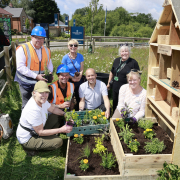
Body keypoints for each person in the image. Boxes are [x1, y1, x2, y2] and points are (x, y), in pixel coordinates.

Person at [16, 81, 73, 153]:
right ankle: (31, 149)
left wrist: (65, 114)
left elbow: (52, 109)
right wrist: (61, 129)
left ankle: (50, 137)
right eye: (41, 92)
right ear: (34, 93)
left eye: (46, 92)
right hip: (29, 137)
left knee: (56, 115)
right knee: (58, 142)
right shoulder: (33, 109)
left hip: (38, 128)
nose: (44, 95)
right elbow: (40, 132)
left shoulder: (42, 100)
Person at [14, 26, 53, 109]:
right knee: (27, 104)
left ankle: (38, 120)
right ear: (31, 37)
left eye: (41, 38)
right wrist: (36, 76)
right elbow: (20, 67)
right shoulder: (23, 49)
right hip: (26, 83)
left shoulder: (46, 50)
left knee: (39, 103)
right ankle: (25, 121)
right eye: (37, 38)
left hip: (40, 82)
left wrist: (49, 72)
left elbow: (49, 64)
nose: (39, 40)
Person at [107, 45, 140, 113]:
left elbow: (137, 76)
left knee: (125, 105)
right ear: (120, 53)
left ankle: (124, 118)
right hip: (115, 86)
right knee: (115, 103)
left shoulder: (133, 62)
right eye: (122, 51)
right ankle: (114, 118)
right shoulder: (116, 60)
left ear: (129, 52)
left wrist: (135, 88)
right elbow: (112, 72)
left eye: (126, 51)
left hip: (127, 89)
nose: (124, 53)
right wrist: (108, 83)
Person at [61, 39, 84, 110]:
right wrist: (72, 78)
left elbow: (82, 69)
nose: (73, 47)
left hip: (78, 80)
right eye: (71, 45)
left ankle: (78, 110)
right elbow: (63, 71)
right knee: (69, 97)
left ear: (77, 47)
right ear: (68, 46)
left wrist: (79, 76)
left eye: (75, 45)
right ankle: (68, 112)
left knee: (79, 96)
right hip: (68, 80)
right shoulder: (65, 58)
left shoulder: (80, 56)